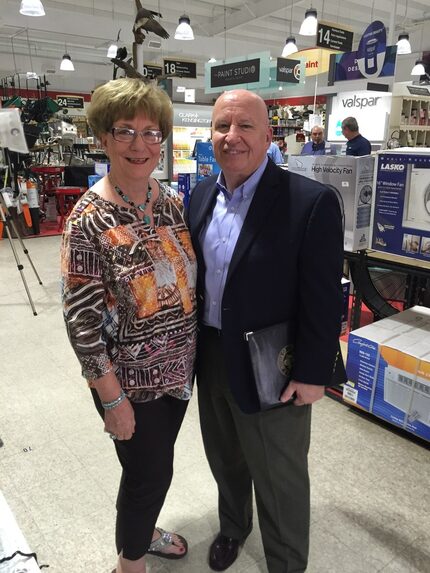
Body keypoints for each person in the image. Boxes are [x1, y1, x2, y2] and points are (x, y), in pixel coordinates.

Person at [187, 89, 345, 572]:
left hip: (274, 360)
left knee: (279, 471)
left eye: (245, 126)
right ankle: (234, 526)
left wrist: (315, 372)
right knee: (225, 456)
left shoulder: (309, 201)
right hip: (211, 352)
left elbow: (322, 296)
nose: (231, 137)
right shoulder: (198, 197)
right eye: (221, 127)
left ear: (268, 135)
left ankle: (286, 560)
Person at [61, 78, 197, 573]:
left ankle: (143, 530)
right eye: (125, 131)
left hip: (179, 376)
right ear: (102, 138)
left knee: (148, 473)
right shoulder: (88, 220)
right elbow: (81, 324)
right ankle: (130, 563)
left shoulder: (170, 201)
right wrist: (112, 400)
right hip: (130, 385)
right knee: (149, 475)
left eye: (151, 132)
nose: (140, 145)